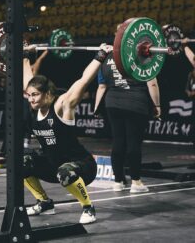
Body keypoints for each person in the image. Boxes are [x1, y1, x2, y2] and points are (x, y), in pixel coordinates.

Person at [22, 43, 113, 224]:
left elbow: (84, 80)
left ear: (47, 94)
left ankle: (88, 207)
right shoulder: (35, 106)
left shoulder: (63, 105)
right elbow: (28, 79)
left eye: (35, 95)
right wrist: (24, 55)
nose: (31, 99)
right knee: (21, 162)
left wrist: (101, 55)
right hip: (52, 164)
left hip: (82, 166)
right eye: (29, 95)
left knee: (64, 172)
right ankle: (44, 203)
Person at [94, 28, 161, 194]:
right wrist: (157, 105)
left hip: (112, 103)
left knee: (118, 141)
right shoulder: (142, 54)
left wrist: (96, 107)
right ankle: (136, 182)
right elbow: (151, 83)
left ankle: (118, 181)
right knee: (133, 143)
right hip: (135, 103)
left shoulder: (106, 55)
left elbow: (102, 86)